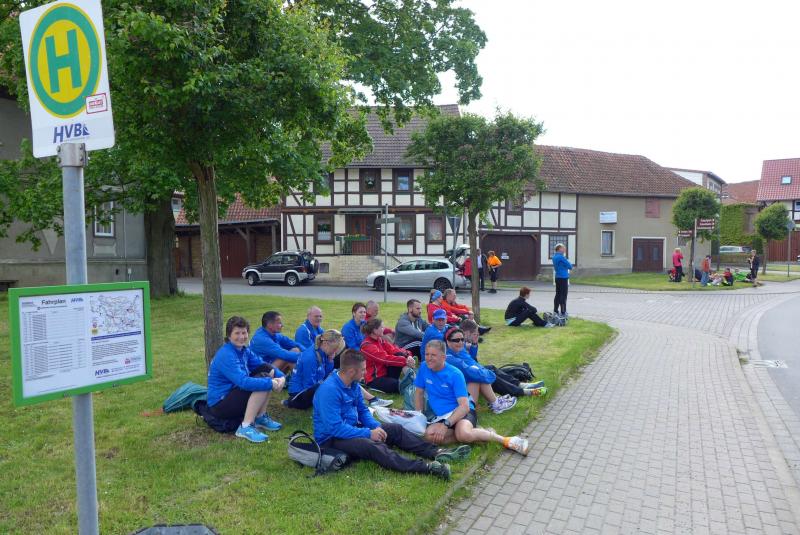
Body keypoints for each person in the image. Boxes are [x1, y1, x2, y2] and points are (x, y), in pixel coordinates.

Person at [313, 349, 470, 480]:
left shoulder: (353, 384)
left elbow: (362, 410)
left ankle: (436, 452)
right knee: (371, 446)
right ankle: (428, 467)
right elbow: (335, 428)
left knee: (395, 429)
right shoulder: (329, 391)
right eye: (363, 369)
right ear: (351, 371)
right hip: (331, 439)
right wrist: (368, 433)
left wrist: (376, 427)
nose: (365, 372)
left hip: (351, 428)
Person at [415, 340, 530, 456]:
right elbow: (419, 393)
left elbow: (464, 407)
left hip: (461, 411)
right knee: (429, 436)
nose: (428, 358)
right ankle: (478, 433)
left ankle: (508, 440)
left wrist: (445, 425)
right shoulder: (424, 367)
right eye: (427, 354)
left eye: (433, 355)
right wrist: (418, 416)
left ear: (443, 357)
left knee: (464, 434)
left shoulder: (455, 374)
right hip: (442, 416)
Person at [207, 316, 286, 443]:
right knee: (264, 380)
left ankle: (260, 417)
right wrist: (270, 383)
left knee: (265, 371)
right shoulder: (226, 354)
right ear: (229, 335)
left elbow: (263, 364)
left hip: (233, 394)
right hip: (219, 405)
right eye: (237, 333)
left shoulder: (244, 350)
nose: (241, 337)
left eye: (244, 332)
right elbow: (243, 382)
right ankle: (246, 426)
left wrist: (281, 377)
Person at [443, 327, 517, 413]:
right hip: (453, 399)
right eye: (456, 340)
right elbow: (469, 370)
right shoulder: (450, 359)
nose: (460, 342)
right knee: (478, 377)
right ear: (448, 341)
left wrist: (474, 345)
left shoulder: (457, 350)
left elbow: (471, 360)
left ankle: (496, 401)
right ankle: (496, 403)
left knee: (480, 375)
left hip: (458, 389)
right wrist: (490, 374)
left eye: (462, 339)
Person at [286, 329, 344, 409]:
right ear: (326, 343)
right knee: (333, 383)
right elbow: (308, 385)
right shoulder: (311, 357)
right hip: (299, 394)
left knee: (337, 377)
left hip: (312, 387)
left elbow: (326, 374)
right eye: (334, 349)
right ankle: (291, 403)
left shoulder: (322, 352)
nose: (335, 352)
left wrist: (330, 361)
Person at [360, 318, 416, 393]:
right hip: (375, 379)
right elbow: (384, 358)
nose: (383, 329)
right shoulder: (366, 346)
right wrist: (405, 361)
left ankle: (413, 378)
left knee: (399, 355)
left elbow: (393, 349)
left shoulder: (380, 340)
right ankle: (412, 381)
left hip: (386, 373)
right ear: (375, 330)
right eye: (382, 327)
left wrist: (407, 356)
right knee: (399, 385)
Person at [552, 244, 572, 317]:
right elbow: (570, 266)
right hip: (563, 277)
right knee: (563, 295)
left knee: (558, 294)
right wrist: (566, 265)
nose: (565, 250)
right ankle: (563, 312)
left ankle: (555, 310)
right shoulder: (561, 257)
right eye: (563, 248)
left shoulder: (554, 257)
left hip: (557, 277)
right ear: (559, 249)